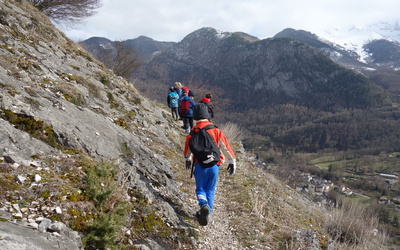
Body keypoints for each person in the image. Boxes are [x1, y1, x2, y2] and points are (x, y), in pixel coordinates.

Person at [183, 103, 236, 226]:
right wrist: (231, 161)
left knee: (200, 188)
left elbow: (187, 151)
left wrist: (187, 159)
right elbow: (225, 147)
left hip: (199, 166)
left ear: (195, 117)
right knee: (210, 189)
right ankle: (207, 212)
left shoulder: (192, 133)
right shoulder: (216, 131)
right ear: (208, 115)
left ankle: (203, 205)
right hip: (214, 165)